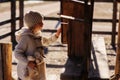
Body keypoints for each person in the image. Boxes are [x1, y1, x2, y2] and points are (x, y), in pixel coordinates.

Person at [14, 11, 61, 80]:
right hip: (28, 70)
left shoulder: (38, 36)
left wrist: (56, 35)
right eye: (40, 23)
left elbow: (47, 41)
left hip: (39, 69)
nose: (43, 24)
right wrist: (28, 62)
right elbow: (17, 53)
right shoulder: (26, 38)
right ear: (34, 25)